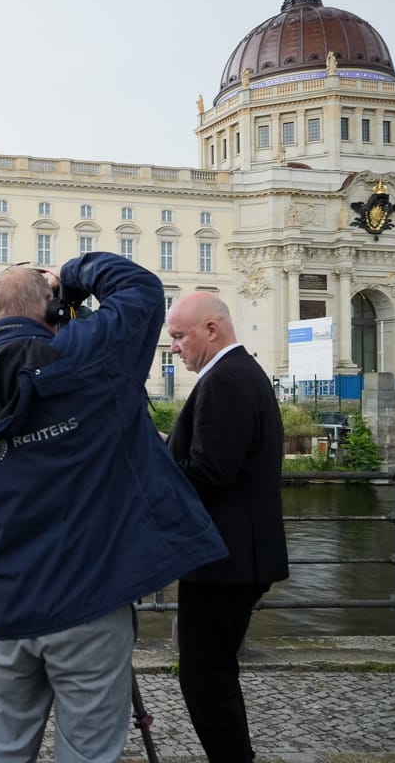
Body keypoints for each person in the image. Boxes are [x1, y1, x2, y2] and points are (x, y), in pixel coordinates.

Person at [0, 253, 227, 763]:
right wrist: (68, 276)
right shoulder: (89, 355)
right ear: (52, 311)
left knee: (4, 748)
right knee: (89, 752)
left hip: (6, 604)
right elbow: (139, 288)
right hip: (89, 599)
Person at [165, 291, 290, 763]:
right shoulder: (239, 373)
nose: (173, 346)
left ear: (211, 330)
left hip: (225, 559)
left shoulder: (225, 379)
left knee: (204, 677)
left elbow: (210, 472)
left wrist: (153, 475)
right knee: (212, 673)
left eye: (178, 336)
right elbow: (215, 455)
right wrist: (166, 445)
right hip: (236, 555)